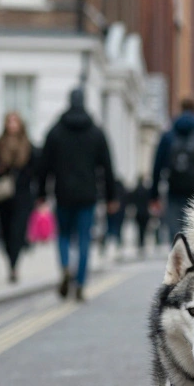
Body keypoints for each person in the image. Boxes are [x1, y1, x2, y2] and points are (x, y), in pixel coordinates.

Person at [34, 89, 119, 301]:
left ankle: (65, 267)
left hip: (62, 194)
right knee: (83, 239)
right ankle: (80, 282)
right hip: (88, 195)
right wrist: (111, 197)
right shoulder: (96, 132)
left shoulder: (55, 131)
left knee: (62, 235)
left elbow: (43, 166)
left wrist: (41, 193)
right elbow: (107, 167)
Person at [149, 98, 194, 238]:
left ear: (180, 110)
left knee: (177, 238)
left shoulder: (167, 136)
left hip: (174, 192)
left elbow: (157, 167)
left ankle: (179, 258)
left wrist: (154, 196)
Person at [0, 112, 38, 284]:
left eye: (15, 121)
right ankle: (10, 261)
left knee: (18, 232)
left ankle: (14, 266)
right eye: (10, 121)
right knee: (6, 232)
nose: (12, 125)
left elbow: (36, 170)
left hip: (22, 196)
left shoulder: (29, 147)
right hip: (4, 198)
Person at [129, 177, 153, 258]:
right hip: (145, 213)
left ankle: (140, 243)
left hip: (138, 212)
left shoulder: (135, 191)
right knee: (144, 229)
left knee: (139, 229)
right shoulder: (146, 190)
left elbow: (131, 201)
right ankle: (142, 243)